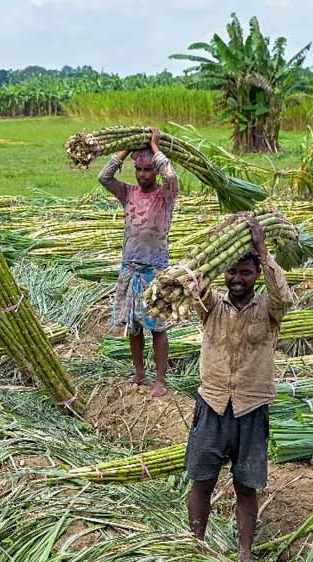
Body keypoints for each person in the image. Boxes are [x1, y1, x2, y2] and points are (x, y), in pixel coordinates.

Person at [185, 215, 293, 562]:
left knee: (246, 486)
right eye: (231, 272)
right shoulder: (211, 305)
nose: (237, 279)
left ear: (257, 274)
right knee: (202, 480)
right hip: (212, 403)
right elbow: (194, 281)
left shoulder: (269, 309)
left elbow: (284, 296)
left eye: (246, 273)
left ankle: (244, 553)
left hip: (251, 408)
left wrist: (262, 250)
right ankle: (195, 546)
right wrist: (221, 241)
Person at [98, 127, 179, 397]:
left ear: (155, 170)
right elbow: (104, 177)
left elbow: (171, 176)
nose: (143, 174)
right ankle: (139, 373)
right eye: (139, 169)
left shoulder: (165, 195)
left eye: (148, 170)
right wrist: (125, 149)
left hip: (155, 270)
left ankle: (160, 380)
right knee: (133, 327)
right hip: (130, 268)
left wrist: (155, 148)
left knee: (158, 328)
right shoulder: (128, 193)